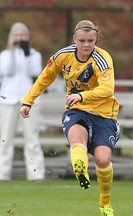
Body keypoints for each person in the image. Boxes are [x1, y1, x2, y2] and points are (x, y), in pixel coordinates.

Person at [20, 20, 119, 216]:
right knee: (77, 139)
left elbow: (108, 89)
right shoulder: (62, 56)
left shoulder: (102, 59)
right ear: (74, 39)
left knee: (102, 159)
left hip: (103, 114)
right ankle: (80, 168)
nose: (86, 45)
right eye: (82, 40)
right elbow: (45, 78)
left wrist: (82, 95)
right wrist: (27, 101)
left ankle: (104, 204)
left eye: (91, 40)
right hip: (77, 110)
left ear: (95, 40)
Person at [0, 22, 45, 181]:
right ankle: (2, 174)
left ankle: (36, 174)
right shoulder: (5, 55)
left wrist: (26, 54)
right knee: (5, 138)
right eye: (16, 35)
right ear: (11, 37)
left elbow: (34, 72)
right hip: (8, 100)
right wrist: (12, 52)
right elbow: (6, 71)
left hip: (29, 100)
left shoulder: (34, 54)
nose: (19, 38)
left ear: (27, 37)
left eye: (22, 35)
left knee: (31, 139)